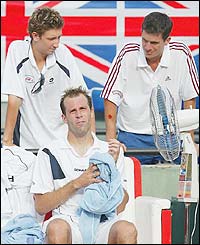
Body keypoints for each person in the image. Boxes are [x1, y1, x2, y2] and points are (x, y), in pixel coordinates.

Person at [30, 86, 137, 244]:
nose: (79, 115)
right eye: (73, 111)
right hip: (68, 222)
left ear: (91, 112)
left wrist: (111, 170)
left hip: (104, 222)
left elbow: (120, 206)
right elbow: (41, 206)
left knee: (127, 230)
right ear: (64, 118)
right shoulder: (49, 152)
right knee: (56, 228)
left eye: (83, 109)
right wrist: (76, 184)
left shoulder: (110, 151)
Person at [100, 12, 199, 164]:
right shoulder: (126, 54)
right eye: (144, 40)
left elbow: (189, 100)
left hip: (171, 137)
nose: (147, 47)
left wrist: (189, 143)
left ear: (167, 40)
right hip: (131, 137)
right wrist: (111, 143)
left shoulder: (182, 54)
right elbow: (110, 100)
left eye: (154, 43)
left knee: (181, 185)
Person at [1, 7, 95, 150]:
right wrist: (7, 141)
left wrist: (92, 142)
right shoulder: (17, 50)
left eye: (59, 37)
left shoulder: (64, 53)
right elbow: (14, 99)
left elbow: (84, 100)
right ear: (35, 36)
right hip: (27, 146)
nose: (57, 44)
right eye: (51, 38)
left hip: (62, 146)